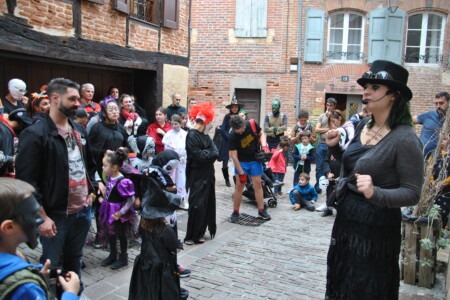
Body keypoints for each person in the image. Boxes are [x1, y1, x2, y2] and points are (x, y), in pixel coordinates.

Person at [325, 60, 424, 299]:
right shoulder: (362, 126)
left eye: (375, 87)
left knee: (367, 287)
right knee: (342, 281)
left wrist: (375, 192)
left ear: (394, 95)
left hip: (376, 231)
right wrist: (337, 149)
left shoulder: (405, 139)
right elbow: (355, 168)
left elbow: (412, 192)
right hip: (348, 222)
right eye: (366, 86)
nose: (366, 91)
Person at [15, 78, 98, 288]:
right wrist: (41, 217)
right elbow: (26, 182)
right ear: (54, 98)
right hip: (55, 215)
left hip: (82, 211)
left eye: (78, 99)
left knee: (75, 260)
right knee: (52, 266)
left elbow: (89, 164)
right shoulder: (34, 134)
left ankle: (72, 294)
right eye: (72, 99)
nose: (78, 103)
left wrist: (92, 190)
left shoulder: (79, 131)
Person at [0, 178, 80, 300]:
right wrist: (70, 294)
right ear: (9, 227)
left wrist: (37, 277)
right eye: (33, 214)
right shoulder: (25, 287)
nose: (40, 220)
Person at [128, 173, 188, 300]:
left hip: (145, 264)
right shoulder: (165, 229)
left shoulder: (143, 225)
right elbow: (173, 246)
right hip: (161, 269)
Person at [184, 102, 219, 245]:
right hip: (197, 175)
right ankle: (190, 235)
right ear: (205, 122)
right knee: (196, 205)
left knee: (205, 204)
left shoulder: (207, 137)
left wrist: (208, 154)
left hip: (208, 174)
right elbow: (199, 156)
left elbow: (215, 152)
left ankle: (199, 233)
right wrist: (208, 154)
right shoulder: (192, 136)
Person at [228, 115, 272, 223]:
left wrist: (264, 147)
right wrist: (241, 173)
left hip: (255, 159)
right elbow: (233, 156)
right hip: (241, 161)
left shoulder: (251, 124)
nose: (241, 132)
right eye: (238, 131)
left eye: (242, 129)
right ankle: (235, 212)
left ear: (244, 124)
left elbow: (262, 134)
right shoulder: (232, 136)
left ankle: (261, 210)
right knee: (239, 186)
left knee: (257, 184)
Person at [98, 148, 137, 270]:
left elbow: (131, 199)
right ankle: (113, 254)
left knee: (121, 234)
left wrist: (121, 213)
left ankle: (123, 257)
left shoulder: (123, 181)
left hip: (118, 212)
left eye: (105, 166)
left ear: (114, 167)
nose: (103, 168)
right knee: (110, 232)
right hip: (108, 209)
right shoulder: (110, 177)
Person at [162, 114, 188, 209]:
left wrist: (183, 156)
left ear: (181, 123)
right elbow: (166, 148)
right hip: (172, 161)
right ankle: (171, 200)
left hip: (182, 160)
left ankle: (182, 199)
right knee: (171, 180)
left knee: (182, 180)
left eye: (176, 124)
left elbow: (188, 147)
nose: (174, 126)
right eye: (172, 124)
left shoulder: (185, 134)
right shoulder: (168, 135)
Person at [413, 92, 450, 158]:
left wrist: (447, 142)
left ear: (448, 102)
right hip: (420, 158)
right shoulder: (430, 114)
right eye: (436, 103)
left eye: (441, 103)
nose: (438, 106)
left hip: (440, 161)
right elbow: (410, 120)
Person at [218, 97, 244, 187]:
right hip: (227, 141)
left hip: (237, 141)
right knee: (225, 161)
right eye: (233, 107)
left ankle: (237, 178)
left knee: (237, 160)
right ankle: (226, 179)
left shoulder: (240, 116)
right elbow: (222, 129)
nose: (234, 109)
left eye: (236, 107)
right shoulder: (227, 117)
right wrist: (228, 137)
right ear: (230, 108)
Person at [314, 97, 337, 193]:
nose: (329, 107)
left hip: (331, 145)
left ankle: (329, 186)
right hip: (321, 144)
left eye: (331, 105)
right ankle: (319, 187)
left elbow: (336, 129)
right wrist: (327, 129)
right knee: (319, 167)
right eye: (327, 105)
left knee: (329, 166)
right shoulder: (322, 116)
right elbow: (316, 130)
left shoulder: (335, 117)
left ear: (334, 106)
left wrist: (329, 119)